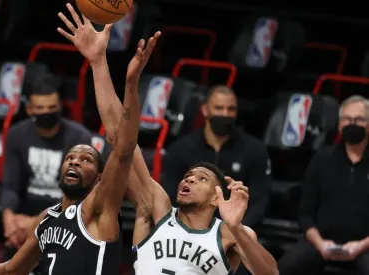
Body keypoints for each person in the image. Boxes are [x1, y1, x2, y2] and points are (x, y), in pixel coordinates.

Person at [0, 4, 155, 274]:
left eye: (86, 159)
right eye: (71, 157)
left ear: (98, 179)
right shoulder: (47, 219)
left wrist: (127, 83)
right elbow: (10, 270)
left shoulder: (99, 209)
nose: (75, 161)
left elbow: (124, 146)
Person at [61, 6, 278, 274]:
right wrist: (99, 63)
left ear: (215, 198)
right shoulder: (156, 210)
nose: (188, 179)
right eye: (189, 176)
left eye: (201, 179)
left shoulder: (230, 234)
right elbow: (120, 138)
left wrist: (235, 227)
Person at [0, 79, 110, 265]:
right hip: (23, 209)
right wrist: (9, 217)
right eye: (40, 108)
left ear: (60, 107)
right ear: (29, 109)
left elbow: (80, 194)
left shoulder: (78, 137)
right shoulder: (17, 134)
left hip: (62, 209)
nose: (46, 112)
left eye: (51, 107)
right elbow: (10, 184)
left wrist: (36, 222)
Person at [278, 95, 369, 275]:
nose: (353, 123)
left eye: (359, 119)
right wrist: (320, 243)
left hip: (365, 246)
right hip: (321, 242)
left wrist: (360, 246)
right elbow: (305, 212)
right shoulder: (322, 158)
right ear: (339, 124)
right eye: (347, 119)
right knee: (284, 267)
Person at [161, 86, 271, 229]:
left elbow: (259, 203)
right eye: (219, 108)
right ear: (205, 110)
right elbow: (170, 197)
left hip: (237, 230)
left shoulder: (255, 150)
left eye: (231, 109)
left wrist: (237, 230)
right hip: (188, 229)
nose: (225, 114)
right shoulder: (181, 149)